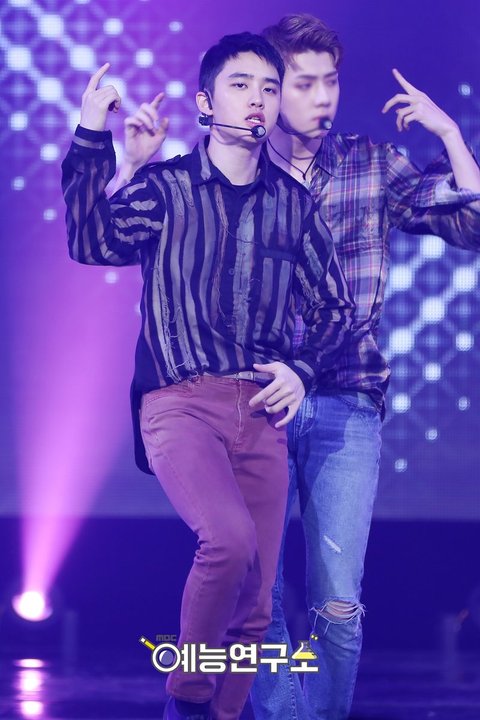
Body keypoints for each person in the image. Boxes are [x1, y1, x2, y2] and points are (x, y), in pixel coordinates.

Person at [61, 32, 354, 720]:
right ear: (205, 102)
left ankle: (214, 714)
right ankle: (190, 695)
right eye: (241, 85)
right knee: (227, 540)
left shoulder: (294, 204)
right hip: (180, 402)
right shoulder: (165, 189)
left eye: (269, 88)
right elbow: (88, 241)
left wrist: (301, 369)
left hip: (262, 413)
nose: (258, 99)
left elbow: (337, 309)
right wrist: (91, 134)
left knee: (257, 604)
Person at [244, 13, 480, 720]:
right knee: (255, 597)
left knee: (337, 602)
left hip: (346, 400)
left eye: (332, 82)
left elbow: (472, 224)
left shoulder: (372, 164)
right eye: (304, 83)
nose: (323, 97)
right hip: (255, 401)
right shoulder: (236, 171)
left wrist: (450, 135)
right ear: (270, 89)